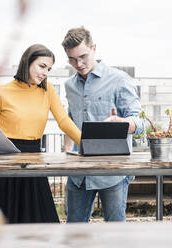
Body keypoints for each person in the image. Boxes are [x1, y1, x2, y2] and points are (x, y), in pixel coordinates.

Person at [0, 44, 81, 223]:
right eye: (42, 66)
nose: (45, 73)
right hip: (2, 161)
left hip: (33, 160)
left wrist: (87, 142)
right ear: (27, 62)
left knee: (42, 225)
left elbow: (63, 121)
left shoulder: (48, 91)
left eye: (48, 69)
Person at [62, 26, 144, 222]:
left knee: (114, 232)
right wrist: (65, 155)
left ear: (94, 48)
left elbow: (139, 122)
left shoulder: (119, 80)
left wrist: (121, 123)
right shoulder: (69, 85)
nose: (79, 64)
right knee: (74, 229)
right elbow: (71, 120)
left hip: (113, 171)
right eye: (72, 59)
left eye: (83, 56)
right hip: (78, 172)